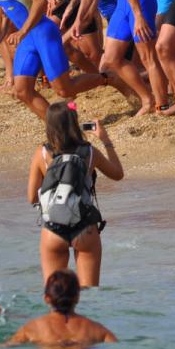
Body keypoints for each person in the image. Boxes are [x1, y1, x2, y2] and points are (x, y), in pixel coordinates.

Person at [27, 104, 123, 286]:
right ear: (75, 123)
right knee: (90, 295)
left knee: (54, 295)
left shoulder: (41, 154)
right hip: (85, 227)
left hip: (53, 229)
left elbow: (32, 197)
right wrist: (106, 140)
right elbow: (117, 174)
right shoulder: (90, 153)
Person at [7, 269, 117, 348]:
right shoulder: (96, 329)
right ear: (77, 297)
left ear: (46, 298)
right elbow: (116, 346)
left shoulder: (33, 327)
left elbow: (8, 346)